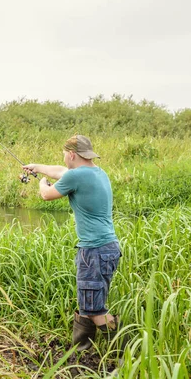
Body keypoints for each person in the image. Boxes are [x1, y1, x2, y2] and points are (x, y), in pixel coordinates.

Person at [22, 134, 123, 352]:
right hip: (107, 248)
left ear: (71, 154)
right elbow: (60, 171)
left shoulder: (76, 177)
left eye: (65, 155)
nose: (64, 160)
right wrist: (37, 167)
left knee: (95, 309)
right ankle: (82, 353)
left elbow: (47, 195)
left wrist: (41, 182)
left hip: (94, 251)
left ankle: (125, 351)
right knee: (88, 304)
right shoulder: (97, 173)